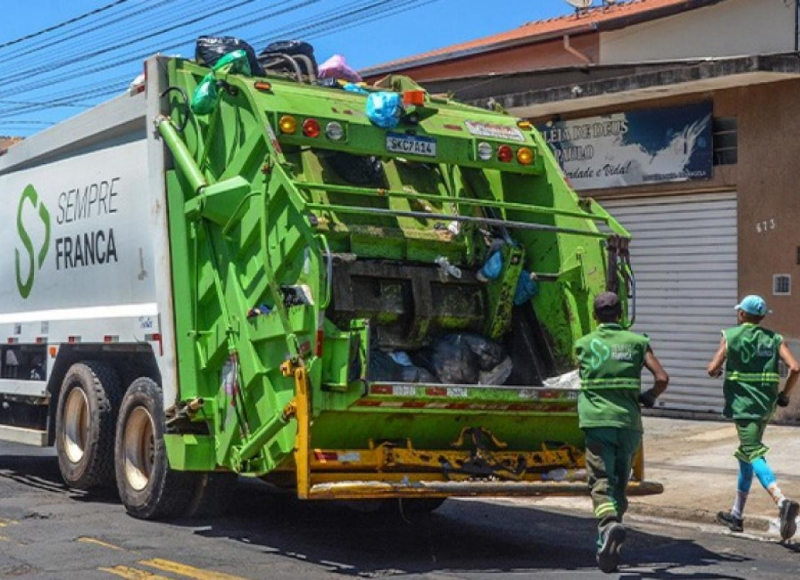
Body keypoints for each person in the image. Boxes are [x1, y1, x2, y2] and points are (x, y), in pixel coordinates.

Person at [575, 292, 669, 573]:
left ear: (595, 316)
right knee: (618, 485)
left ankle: (608, 527)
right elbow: (662, 378)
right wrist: (649, 396)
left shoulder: (583, 344)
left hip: (597, 422)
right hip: (629, 424)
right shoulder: (638, 343)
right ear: (621, 314)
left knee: (600, 481)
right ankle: (606, 545)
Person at [707, 294, 800, 540]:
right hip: (765, 405)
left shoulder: (731, 336)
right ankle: (737, 515)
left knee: (752, 451)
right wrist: (784, 395)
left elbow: (712, 368)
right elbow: (795, 367)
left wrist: (717, 372)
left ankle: (782, 502)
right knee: (747, 455)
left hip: (743, 405)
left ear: (741, 314)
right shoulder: (774, 338)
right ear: (761, 317)